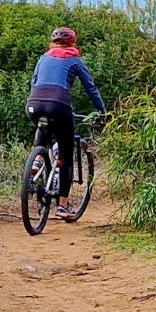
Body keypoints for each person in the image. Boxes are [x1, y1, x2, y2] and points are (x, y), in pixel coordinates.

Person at [26, 26, 106, 221]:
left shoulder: (43, 58)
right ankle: (62, 205)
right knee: (66, 155)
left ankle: (35, 164)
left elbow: (34, 82)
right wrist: (103, 111)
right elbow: (91, 88)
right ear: (72, 42)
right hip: (59, 106)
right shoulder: (75, 60)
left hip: (33, 104)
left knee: (42, 136)